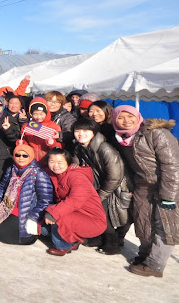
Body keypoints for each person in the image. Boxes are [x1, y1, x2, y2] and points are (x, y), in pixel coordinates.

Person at [111, 105, 179, 277]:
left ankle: (155, 266)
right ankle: (145, 255)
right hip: (142, 187)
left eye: (130, 116)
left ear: (137, 116)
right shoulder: (122, 139)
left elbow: (172, 166)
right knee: (144, 223)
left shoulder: (156, 133)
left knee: (164, 226)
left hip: (167, 185)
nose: (126, 121)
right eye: (120, 117)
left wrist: (169, 196)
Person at [72, 118, 132, 255]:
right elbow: (77, 164)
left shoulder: (105, 149)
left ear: (93, 132)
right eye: (77, 131)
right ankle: (99, 238)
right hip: (99, 184)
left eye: (86, 131)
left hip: (116, 186)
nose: (81, 134)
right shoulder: (80, 147)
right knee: (96, 213)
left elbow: (115, 175)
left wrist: (102, 194)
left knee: (104, 215)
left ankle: (112, 244)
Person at [0, 144, 52, 245]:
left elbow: (45, 201)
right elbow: (1, 189)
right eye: (18, 155)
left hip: (25, 211)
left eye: (25, 156)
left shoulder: (39, 174)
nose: (21, 158)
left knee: (6, 231)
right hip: (7, 206)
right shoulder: (11, 170)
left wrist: (34, 218)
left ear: (31, 156)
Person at [41, 149, 106, 256]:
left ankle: (63, 246)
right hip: (75, 214)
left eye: (60, 162)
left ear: (68, 162)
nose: (56, 165)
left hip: (92, 220)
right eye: (52, 162)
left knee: (57, 220)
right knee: (43, 229)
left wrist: (54, 213)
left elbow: (75, 200)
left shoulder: (76, 177)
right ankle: (74, 240)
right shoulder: (56, 174)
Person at [20, 97, 61, 166]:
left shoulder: (54, 127)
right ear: (31, 114)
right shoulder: (27, 126)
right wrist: (20, 143)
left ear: (46, 113)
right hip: (31, 161)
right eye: (35, 114)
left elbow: (59, 147)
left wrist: (52, 143)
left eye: (41, 114)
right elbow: (24, 140)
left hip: (48, 161)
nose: (38, 117)